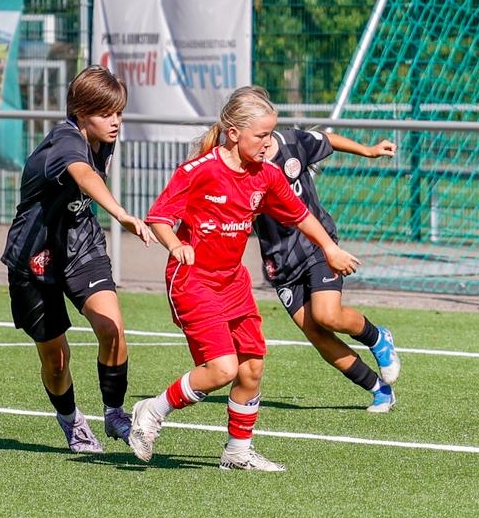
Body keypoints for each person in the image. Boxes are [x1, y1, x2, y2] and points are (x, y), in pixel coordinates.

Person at [126, 87, 360, 471]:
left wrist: (330, 249)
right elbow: (160, 217)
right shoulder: (199, 171)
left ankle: (237, 453)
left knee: (252, 367)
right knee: (223, 369)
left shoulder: (266, 174)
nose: (269, 143)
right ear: (233, 133)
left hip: (233, 281)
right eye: (262, 135)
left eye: (271, 134)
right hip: (194, 280)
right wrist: (176, 244)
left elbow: (301, 214)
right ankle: (151, 410)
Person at [1, 65, 156, 453]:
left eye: (119, 112)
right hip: (34, 258)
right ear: (80, 112)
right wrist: (121, 214)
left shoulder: (103, 137)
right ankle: (71, 421)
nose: (115, 121)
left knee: (112, 328)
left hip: (81, 244)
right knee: (56, 360)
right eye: (106, 113)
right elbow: (84, 175)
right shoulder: (65, 141)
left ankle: (115, 413)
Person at [257, 126, 401, 413]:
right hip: (281, 261)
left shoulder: (290, 142)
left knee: (327, 315)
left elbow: (326, 139)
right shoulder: (236, 165)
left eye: (266, 131)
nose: (263, 139)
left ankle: (377, 337)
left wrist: (368, 150)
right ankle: (379, 389)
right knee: (317, 334)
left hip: (318, 246)